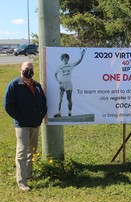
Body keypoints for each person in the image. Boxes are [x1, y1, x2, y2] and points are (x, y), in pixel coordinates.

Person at [4, 61, 47, 191]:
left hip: (35, 123)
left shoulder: (37, 85)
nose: (29, 71)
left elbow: (43, 102)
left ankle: (29, 174)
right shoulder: (14, 85)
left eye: (31, 69)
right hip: (22, 124)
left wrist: (40, 116)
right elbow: (8, 105)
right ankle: (22, 182)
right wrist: (19, 117)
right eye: (26, 68)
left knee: (32, 150)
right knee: (22, 151)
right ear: (21, 70)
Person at [54, 49, 86, 117]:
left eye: (66, 58)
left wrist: (82, 56)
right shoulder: (59, 66)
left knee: (69, 99)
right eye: (64, 58)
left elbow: (78, 62)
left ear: (68, 59)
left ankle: (69, 112)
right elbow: (55, 73)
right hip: (62, 84)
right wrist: (58, 81)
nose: (65, 60)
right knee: (60, 99)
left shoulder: (71, 64)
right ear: (62, 59)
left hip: (68, 83)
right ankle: (59, 113)